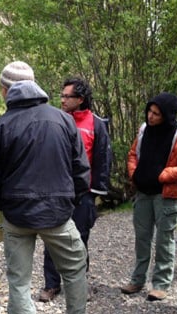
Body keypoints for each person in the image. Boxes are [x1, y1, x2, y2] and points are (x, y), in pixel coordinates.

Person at [0, 61, 103, 314]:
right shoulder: (63, 120)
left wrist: (1, 206)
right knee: (75, 268)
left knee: (19, 283)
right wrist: (69, 201)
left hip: (17, 217)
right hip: (58, 215)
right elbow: (80, 171)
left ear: (7, 90)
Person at [39, 77, 112, 302]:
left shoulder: (97, 124)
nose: (62, 100)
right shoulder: (54, 120)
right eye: (61, 95)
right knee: (51, 238)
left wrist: (95, 193)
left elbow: (103, 159)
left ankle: (80, 284)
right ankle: (51, 285)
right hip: (55, 192)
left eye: (66, 96)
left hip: (83, 193)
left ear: (80, 99)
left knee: (80, 241)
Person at [120, 93, 177, 301]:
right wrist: (134, 173)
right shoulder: (145, 130)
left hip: (167, 195)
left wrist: (164, 175)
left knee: (164, 240)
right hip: (143, 193)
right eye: (150, 112)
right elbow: (133, 154)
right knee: (142, 239)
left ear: (168, 115)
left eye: (156, 114)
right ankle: (137, 280)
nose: (151, 117)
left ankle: (161, 284)